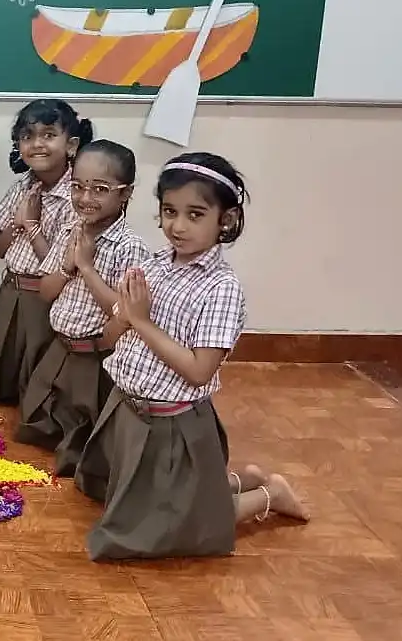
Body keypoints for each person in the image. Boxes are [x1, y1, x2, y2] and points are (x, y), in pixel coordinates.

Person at [79, 152, 309, 562]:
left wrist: (142, 321)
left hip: (173, 425)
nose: (177, 226)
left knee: (168, 531)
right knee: (122, 501)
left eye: (195, 214)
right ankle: (235, 482)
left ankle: (269, 495)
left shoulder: (222, 288)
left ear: (226, 219)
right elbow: (114, 332)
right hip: (129, 412)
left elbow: (200, 371)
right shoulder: (152, 265)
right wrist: (123, 318)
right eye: (169, 211)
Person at [18, 140, 150, 477]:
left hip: (95, 356)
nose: (85, 199)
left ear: (125, 194)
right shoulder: (68, 231)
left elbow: (123, 312)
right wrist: (67, 266)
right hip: (60, 348)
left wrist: (88, 269)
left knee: (85, 442)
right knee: (37, 419)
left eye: (100, 189)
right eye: (78, 187)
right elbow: (46, 292)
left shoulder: (129, 247)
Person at [0, 99, 94, 402]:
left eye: (49, 135)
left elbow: (62, 266)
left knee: (37, 380)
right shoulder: (19, 187)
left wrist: (33, 226)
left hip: (48, 298)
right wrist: (16, 224)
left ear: (71, 144)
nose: (37, 144)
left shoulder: (78, 196)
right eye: (27, 136)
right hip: (11, 290)